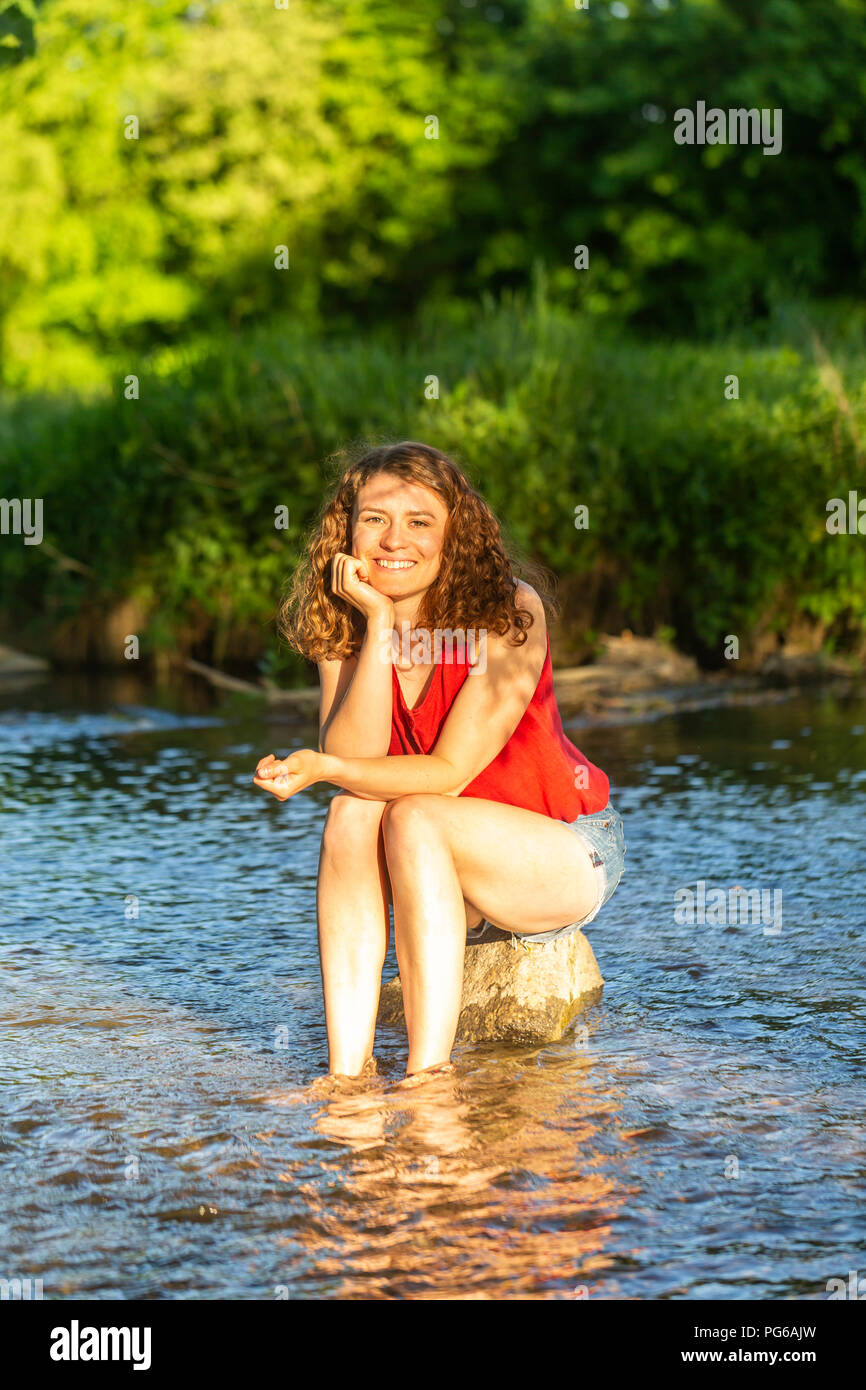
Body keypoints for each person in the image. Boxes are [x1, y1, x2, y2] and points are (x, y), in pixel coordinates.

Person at [253, 441, 626, 1085]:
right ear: (346, 530)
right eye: (374, 519)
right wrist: (376, 627)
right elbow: (357, 762)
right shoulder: (343, 623)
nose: (394, 539)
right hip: (434, 868)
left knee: (417, 815)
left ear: (455, 533)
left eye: (419, 522)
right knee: (349, 812)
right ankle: (348, 1076)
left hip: (559, 854)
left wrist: (319, 765)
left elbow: (450, 771)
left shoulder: (507, 611)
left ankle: (428, 1077)